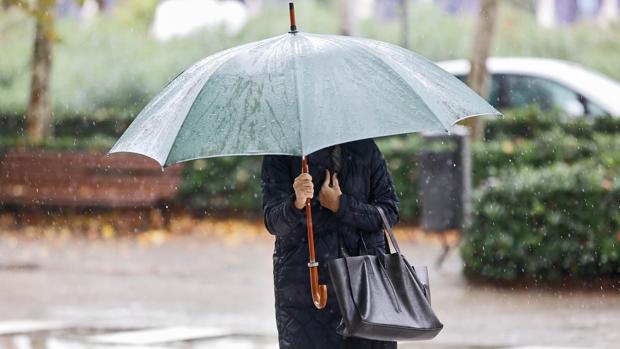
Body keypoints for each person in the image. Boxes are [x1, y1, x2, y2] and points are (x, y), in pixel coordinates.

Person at [260, 138, 400, 349]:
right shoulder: (283, 154)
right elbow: (274, 222)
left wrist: (341, 205)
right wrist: (296, 202)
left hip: (365, 284)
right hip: (306, 286)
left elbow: (388, 213)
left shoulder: (364, 148)